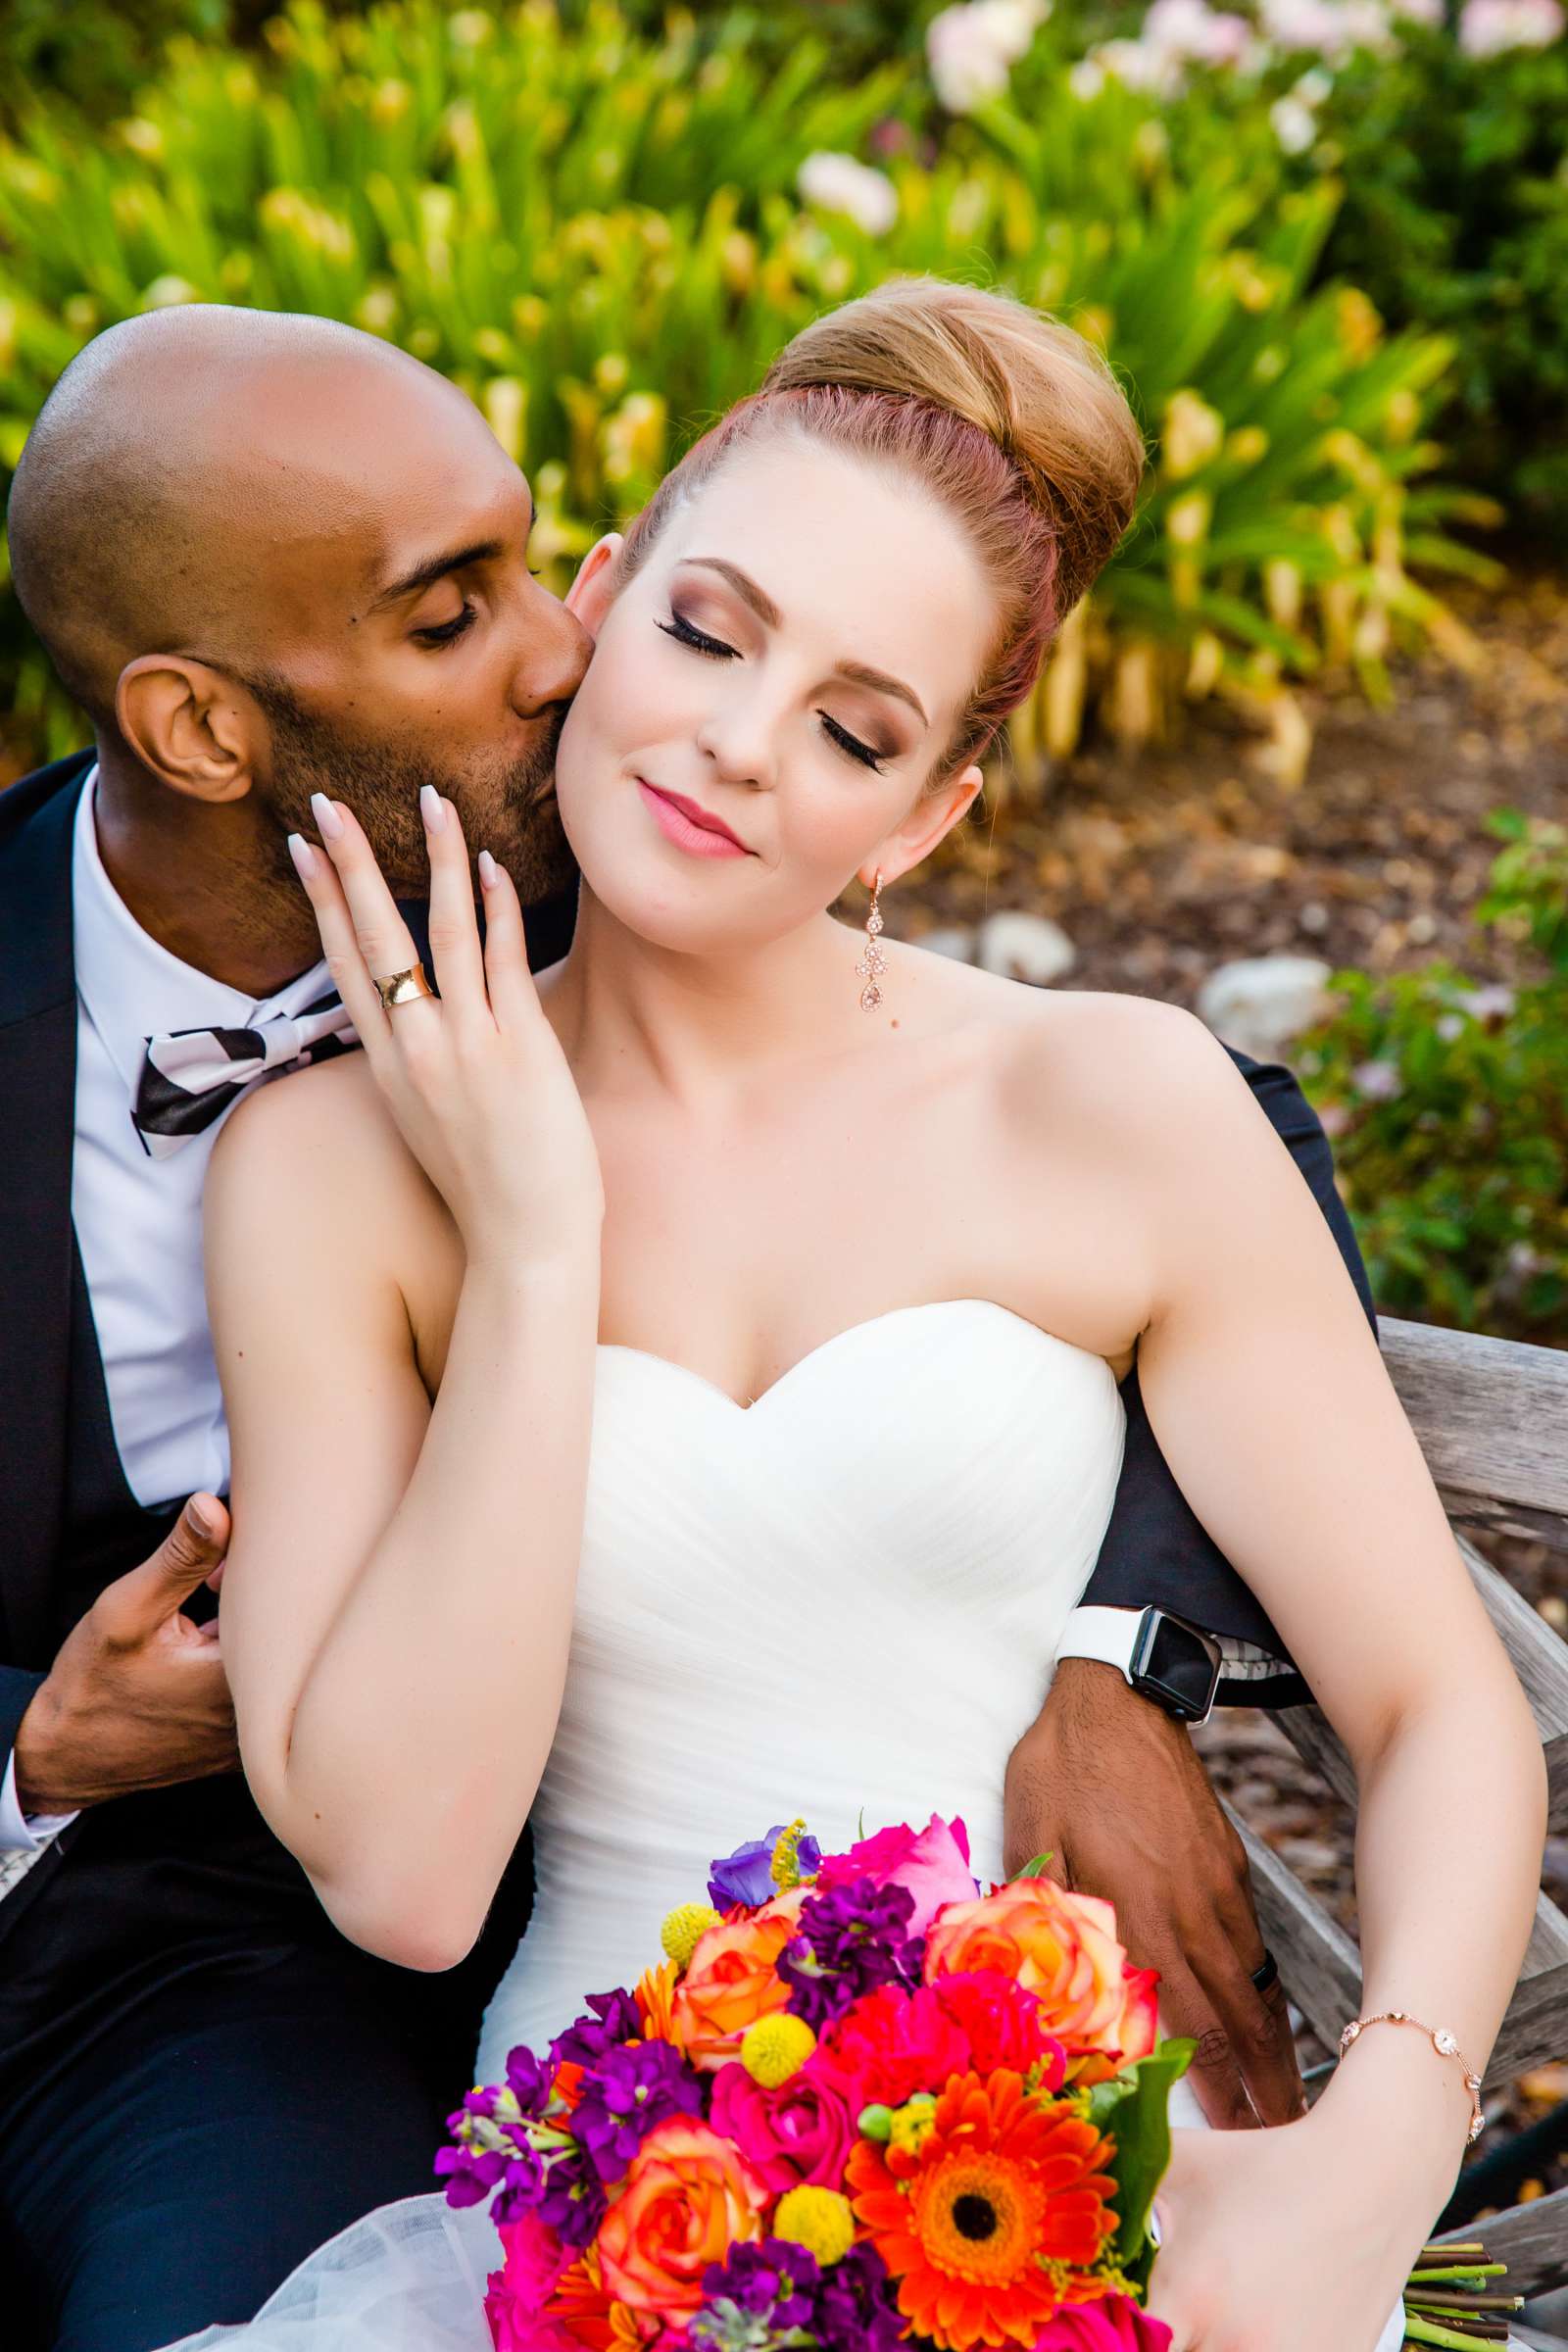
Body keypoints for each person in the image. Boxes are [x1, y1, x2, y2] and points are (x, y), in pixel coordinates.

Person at [172, 277, 1542, 2352]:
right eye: (709, 632)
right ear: (604, 597)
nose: (736, 740)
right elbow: (405, 1877)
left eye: (851, 727)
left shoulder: (1108, 1104)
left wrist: (1384, 2134)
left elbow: (1435, 1707)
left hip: (1065, 2219)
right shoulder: (328, 1173)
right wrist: (534, 1245)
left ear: (923, 819)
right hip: (585, 2234)